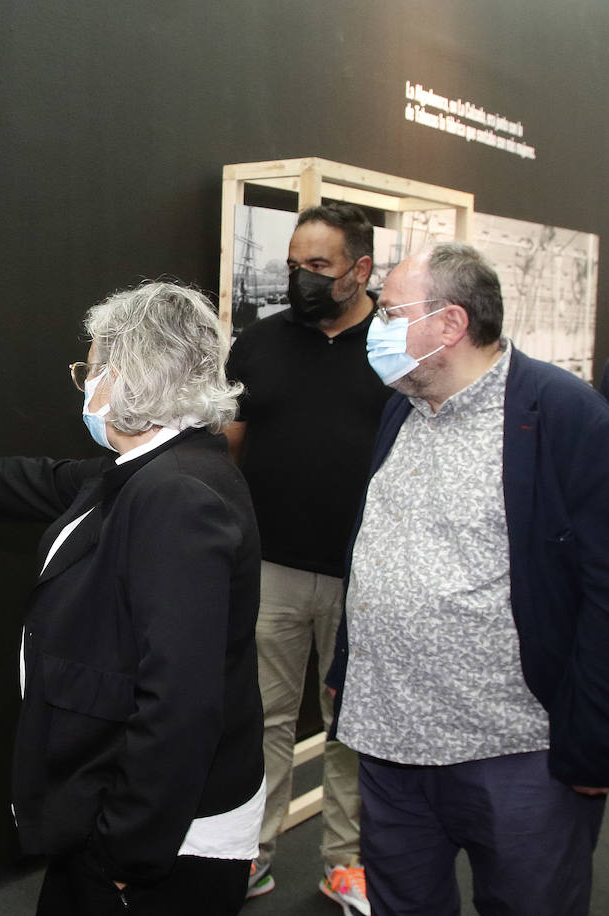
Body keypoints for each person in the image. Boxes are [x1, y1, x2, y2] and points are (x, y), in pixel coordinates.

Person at [0, 282, 265, 915]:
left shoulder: (179, 495)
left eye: (95, 365)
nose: (85, 381)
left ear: (138, 375)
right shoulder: (154, 467)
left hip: (159, 840)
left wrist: (126, 852)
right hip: (117, 812)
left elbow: (181, 702)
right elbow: (46, 481)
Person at [327, 242, 609, 916]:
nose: (376, 328)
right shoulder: (403, 405)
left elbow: (603, 588)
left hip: (515, 752)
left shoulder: (564, 414)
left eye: (392, 312)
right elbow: (379, 549)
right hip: (389, 741)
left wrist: (594, 741)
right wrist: (345, 662)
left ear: (450, 324)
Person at [224, 202, 387, 912]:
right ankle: (252, 854)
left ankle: (343, 862)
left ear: (361, 269)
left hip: (367, 574)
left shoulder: (398, 345)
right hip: (274, 569)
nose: (302, 280)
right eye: (293, 266)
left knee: (352, 721)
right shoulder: (259, 344)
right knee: (264, 718)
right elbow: (227, 447)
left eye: (318, 267)